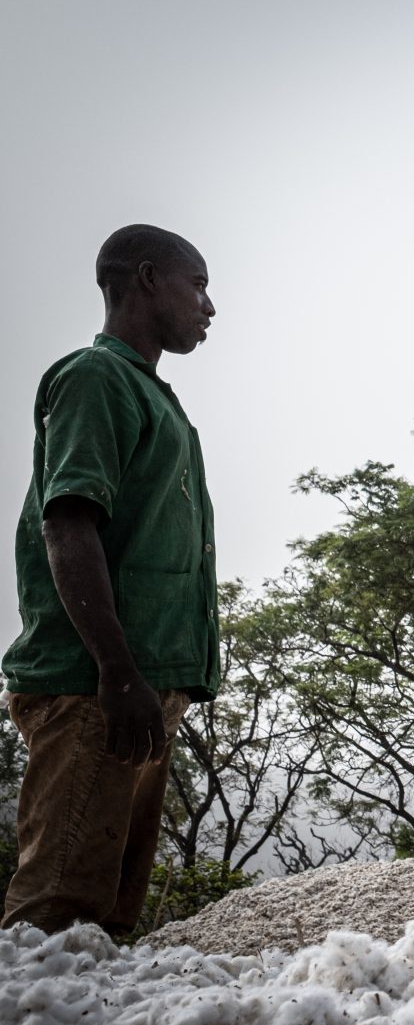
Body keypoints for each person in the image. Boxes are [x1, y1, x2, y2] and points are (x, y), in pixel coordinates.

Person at [2, 225, 222, 934]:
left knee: (106, 928)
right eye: (199, 285)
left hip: (138, 692)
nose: (209, 306)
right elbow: (68, 523)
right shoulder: (96, 377)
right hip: (94, 690)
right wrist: (117, 672)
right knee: (54, 919)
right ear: (150, 278)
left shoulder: (153, 397)